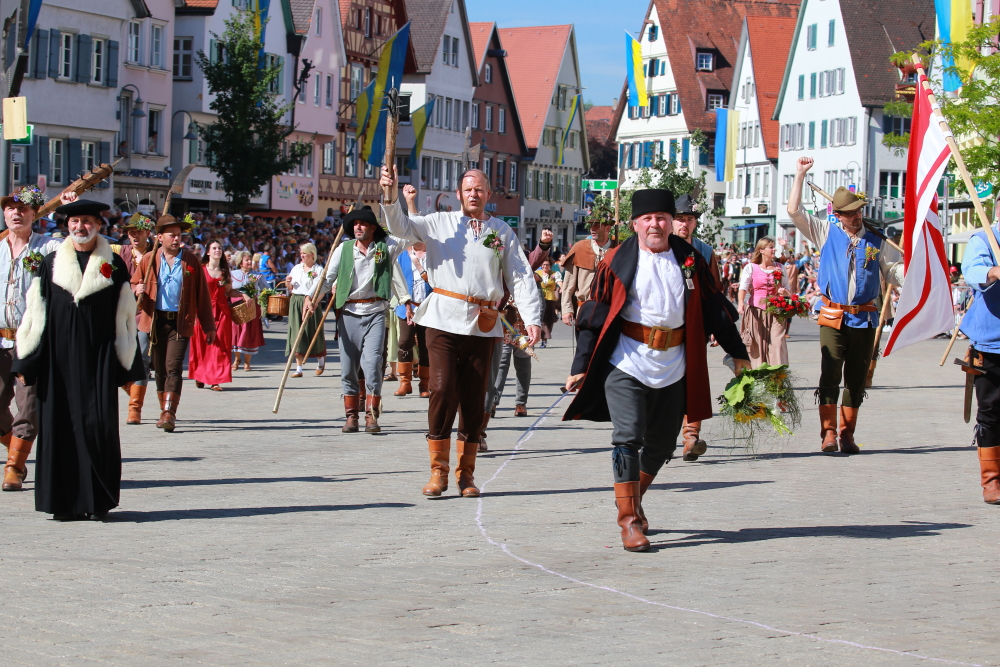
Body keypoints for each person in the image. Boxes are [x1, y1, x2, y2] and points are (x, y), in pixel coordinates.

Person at [563, 189, 751, 552]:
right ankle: (629, 522)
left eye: (662, 218)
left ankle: (632, 499)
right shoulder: (616, 261)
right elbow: (594, 313)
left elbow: (714, 307)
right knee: (628, 436)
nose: (655, 224)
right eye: (647, 218)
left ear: (671, 222)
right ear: (635, 224)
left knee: (663, 445)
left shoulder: (690, 259)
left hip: (674, 363)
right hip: (626, 360)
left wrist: (737, 352)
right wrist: (580, 366)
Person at [379, 165, 542, 498]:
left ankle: (466, 474)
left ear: (488, 194)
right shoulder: (439, 223)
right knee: (441, 389)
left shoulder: (500, 231)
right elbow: (400, 227)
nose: (473, 194)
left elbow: (519, 275)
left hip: (483, 324)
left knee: (474, 398)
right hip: (442, 319)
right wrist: (390, 194)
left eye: (479, 189)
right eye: (468, 189)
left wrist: (532, 318)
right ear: (458, 193)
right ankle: (437, 471)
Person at [12, 199, 144, 519]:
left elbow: (125, 316)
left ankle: (97, 502)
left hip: (99, 360)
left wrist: (127, 361)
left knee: (99, 427)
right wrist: (27, 360)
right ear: (67, 225)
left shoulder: (113, 264)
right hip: (57, 362)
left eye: (86, 221)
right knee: (61, 429)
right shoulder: (51, 263)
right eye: (74, 221)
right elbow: (36, 314)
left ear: (98, 225)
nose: (80, 226)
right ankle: (64, 504)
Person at [788, 157, 902, 454]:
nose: (856, 217)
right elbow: (794, 211)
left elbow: (893, 271)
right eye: (850, 213)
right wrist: (800, 174)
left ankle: (847, 434)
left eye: (859, 211)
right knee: (830, 372)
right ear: (838, 215)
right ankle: (827, 433)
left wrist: (915, 276)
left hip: (864, 318)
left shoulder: (876, 240)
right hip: (833, 315)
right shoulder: (826, 232)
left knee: (856, 378)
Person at [304, 207, 410, 434]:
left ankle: (372, 416)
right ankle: (351, 416)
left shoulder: (386, 247)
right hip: (348, 313)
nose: (358, 227)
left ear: (372, 227)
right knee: (348, 368)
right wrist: (310, 298)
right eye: (354, 224)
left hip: (375, 312)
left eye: (362, 223)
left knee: (372, 365)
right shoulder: (343, 249)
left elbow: (407, 235)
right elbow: (326, 279)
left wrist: (401, 203)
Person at [0, 188, 62, 491]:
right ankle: (18, 450)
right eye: (11, 208)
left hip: (31, 340)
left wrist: (69, 211)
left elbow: (78, 250)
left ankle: (14, 466)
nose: (16, 213)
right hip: (0, 338)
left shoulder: (48, 246)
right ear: (4, 213)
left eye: (23, 208)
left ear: (34, 214)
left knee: (27, 407)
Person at [132, 214, 216, 432]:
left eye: (179, 235)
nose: (177, 239)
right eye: (172, 235)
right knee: (159, 369)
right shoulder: (149, 258)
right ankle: (164, 411)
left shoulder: (190, 261)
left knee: (173, 366)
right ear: (160, 237)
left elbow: (202, 295)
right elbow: (133, 283)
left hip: (180, 322)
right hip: (155, 321)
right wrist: (137, 289)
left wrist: (208, 326)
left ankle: (169, 412)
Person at [670, 194, 723, 462]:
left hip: (696, 325)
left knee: (694, 379)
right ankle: (662, 434)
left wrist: (717, 325)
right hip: (664, 327)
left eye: (689, 219)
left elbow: (714, 291)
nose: (684, 224)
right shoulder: (659, 247)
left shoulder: (705, 251)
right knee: (665, 379)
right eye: (680, 219)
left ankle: (691, 436)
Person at [959, 220, 1000, 503]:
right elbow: (972, 271)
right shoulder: (984, 239)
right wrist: (993, 271)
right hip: (992, 343)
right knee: (992, 412)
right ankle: (992, 481)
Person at [114, 212, 156, 424]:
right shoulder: (120, 253)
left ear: (147, 232)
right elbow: (112, 281)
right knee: (115, 358)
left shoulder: (157, 253)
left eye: (138, 232)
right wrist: (132, 288)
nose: (134, 236)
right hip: (122, 311)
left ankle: (135, 409)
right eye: (131, 233)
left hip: (146, 313)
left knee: (142, 357)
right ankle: (131, 389)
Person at [188, 241, 243, 391]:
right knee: (202, 345)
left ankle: (215, 380)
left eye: (219, 248)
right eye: (214, 248)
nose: (217, 250)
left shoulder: (225, 271)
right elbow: (193, 292)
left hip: (222, 311)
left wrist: (243, 295)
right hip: (203, 310)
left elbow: (228, 291)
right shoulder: (200, 269)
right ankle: (200, 374)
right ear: (208, 252)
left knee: (220, 346)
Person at [737, 236, 791, 366]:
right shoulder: (751, 267)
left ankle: (776, 372)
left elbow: (788, 289)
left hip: (776, 310)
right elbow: (743, 287)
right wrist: (740, 303)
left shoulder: (780, 267)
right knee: (757, 343)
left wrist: (785, 292)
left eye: (774, 247)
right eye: (771, 247)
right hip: (756, 310)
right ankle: (759, 372)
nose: (774, 249)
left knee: (777, 342)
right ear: (761, 250)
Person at [561, 218, 614, 329]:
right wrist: (567, 309)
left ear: (608, 228)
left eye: (597, 225)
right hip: (585, 310)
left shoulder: (618, 249)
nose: (592, 229)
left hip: (611, 312)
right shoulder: (579, 248)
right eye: (591, 226)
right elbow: (568, 283)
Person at [286, 243, 326, 377]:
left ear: (312, 254)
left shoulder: (318, 270)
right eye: (301, 253)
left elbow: (322, 290)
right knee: (296, 333)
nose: (302, 255)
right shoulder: (296, 268)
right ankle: (299, 368)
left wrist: (314, 303)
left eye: (305, 253)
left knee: (313, 332)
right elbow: (290, 287)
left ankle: (320, 361)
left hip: (311, 302)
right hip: (296, 301)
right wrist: (287, 281)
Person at [230, 250, 266, 370]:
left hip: (251, 306)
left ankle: (247, 362)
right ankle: (237, 359)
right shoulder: (233, 274)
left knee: (249, 333)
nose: (249, 262)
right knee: (236, 332)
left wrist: (263, 297)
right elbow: (228, 289)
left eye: (250, 260)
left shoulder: (257, 275)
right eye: (247, 260)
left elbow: (266, 289)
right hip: (237, 306)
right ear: (240, 262)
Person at [535, 259, 561, 345]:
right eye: (543, 265)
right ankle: (544, 338)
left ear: (550, 265)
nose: (545, 266)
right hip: (539, 298)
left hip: (550, 298)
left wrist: (563, 288)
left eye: (547, 265)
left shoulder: (554, 274)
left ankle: (546, 336)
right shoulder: (537, 273)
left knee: (550, 319)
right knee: (542, 318)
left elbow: (559, 282)